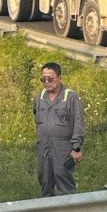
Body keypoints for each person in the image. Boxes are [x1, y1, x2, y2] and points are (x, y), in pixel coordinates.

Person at [33, 62, 85, 196]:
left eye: (50, 79)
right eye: (43, 79)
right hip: (44, 146)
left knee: (63, 177)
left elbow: (78, 123)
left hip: (63, 147)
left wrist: (76, 148)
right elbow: (37, 120)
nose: (46, 82)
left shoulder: (70, 97)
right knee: (44, 178)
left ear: (59, 78)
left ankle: (68, 211)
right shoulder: (39, 97)